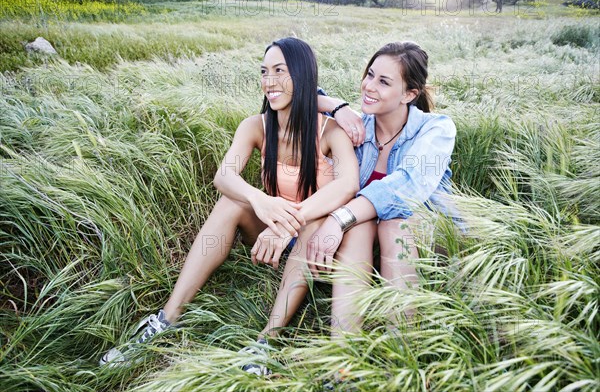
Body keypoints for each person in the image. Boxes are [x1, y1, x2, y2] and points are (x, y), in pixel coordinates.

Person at [99, 37, 359, 367]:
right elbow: (224, 176)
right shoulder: (256, 126)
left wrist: (287, 222)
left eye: (280, 70)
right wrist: (259, 200)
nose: (269, 81)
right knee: (229, 202)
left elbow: (348, 185)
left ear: (303, 75)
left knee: (314, 225)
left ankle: (265, 343)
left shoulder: (330, 131)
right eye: (264, 72)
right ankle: (167, 317)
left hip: (317, 240)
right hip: (269, 230)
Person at [311, 41, 457, 338]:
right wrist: (338, 108)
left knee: (392, 225)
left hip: (429, 235)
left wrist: (338, 218)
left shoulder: (436, 129)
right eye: (370, 75)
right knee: (361, 226)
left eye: (384, 81)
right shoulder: (357, 126)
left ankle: (400, 348)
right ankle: (343, 355)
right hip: (368, 243)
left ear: (409, 94)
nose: (369, 86)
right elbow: (298, 96)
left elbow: (406, 187)